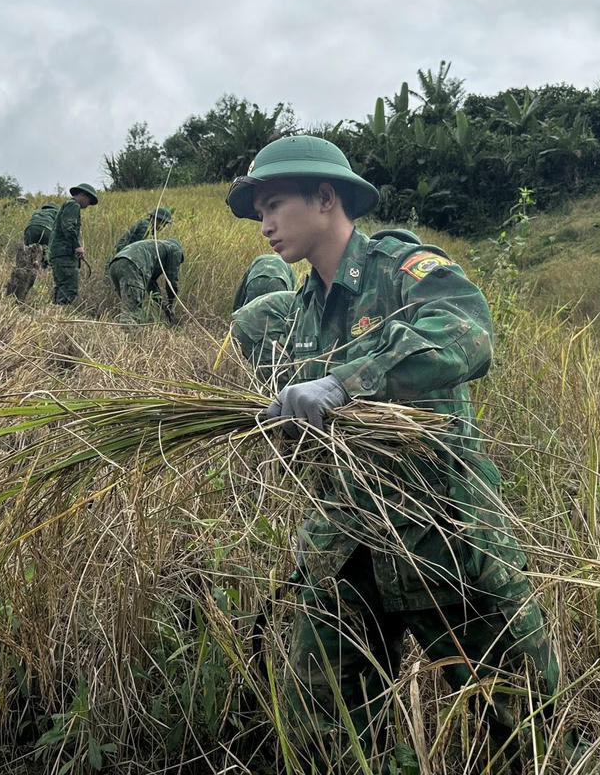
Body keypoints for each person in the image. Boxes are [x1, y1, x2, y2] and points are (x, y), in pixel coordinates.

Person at [226, 134, 562, 768]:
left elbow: (466, 332)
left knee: (524, 729)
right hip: (347, 547)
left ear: (325, 198)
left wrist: (344, 382)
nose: (264, 225)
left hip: (443, 540)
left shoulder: (401, 268)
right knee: (330, 730)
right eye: (259, 212)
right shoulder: (300, 312)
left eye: (274, 205)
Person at [229, 288, 297, 384]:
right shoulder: (310, 306)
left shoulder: (305, 299)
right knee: (283, 373)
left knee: (268, 373)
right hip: (254, 327)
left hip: (240, 323)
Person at [107, 237, 183, 324]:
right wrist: (171, 303)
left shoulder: (157, 249)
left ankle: (127, 329)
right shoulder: (175, 249)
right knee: (132, 312)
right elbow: (172, 281)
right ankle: (128, 332)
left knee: (129, 304)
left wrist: (163, 305)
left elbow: (150, 284)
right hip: (132, 265)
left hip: (115, 264)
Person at [48, 183, 99, 306]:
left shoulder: (69, 205)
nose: (88, 204)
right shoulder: (73, 205)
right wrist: (77, 246)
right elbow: (68, 227)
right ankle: (61, 312)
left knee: (61, 287)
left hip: (58, 253)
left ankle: (56, 313)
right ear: (83, 195)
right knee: (69, 289)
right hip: (64, 254)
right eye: (89, 201)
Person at [5, 202, 58, 301]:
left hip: (31, 229)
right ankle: (43, 268)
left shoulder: (37, 211)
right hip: (47, 229)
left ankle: (23, 270)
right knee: (46, 251)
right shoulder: (56, 212)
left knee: (28, 252)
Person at [232, 252, 296, 311]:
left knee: (253, 312)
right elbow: (290, 292)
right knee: (276, 313)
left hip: (255, 282)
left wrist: (237, 308)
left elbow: (242, 288)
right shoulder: (287, 264)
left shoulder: (259, 259)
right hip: (278, 283)